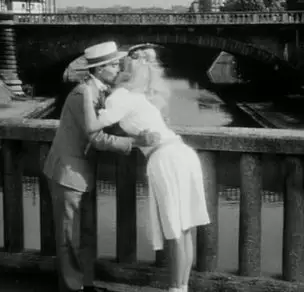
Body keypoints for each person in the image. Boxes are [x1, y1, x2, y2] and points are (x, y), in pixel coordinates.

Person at [83, 47, 211, 292]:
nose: (116, 71)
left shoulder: (119, 97)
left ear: (125, 75)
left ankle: (177, 288)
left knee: (173, 229)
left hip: (165, 159)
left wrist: (86, 98)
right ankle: (180, 287)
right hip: (182, 152)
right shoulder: (140, 98)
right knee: (185, 229)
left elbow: (92, 125)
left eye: (120, 68)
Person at [43, 41, 158, 292]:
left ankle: (85, 283)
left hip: (80, 172)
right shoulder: (82, 94)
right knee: (69, 237)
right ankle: (72, 287)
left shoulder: (98, 91)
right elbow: (96, 137)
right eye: (113, 65)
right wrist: (136, 142)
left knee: (85, 233)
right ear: (99, 69)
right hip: (68, 173)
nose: (118, 68)